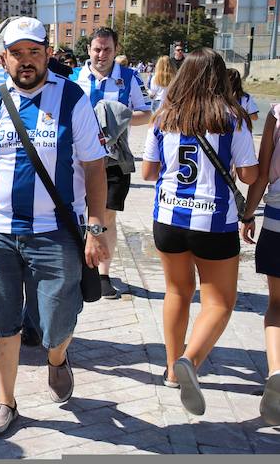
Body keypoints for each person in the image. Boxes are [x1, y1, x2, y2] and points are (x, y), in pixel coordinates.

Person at [0, 16, 110, 435]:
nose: (26, 61)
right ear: (3, 57)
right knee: (1, 318)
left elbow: (95, 166)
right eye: (17, 53)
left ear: (48, 52)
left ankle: (56, 357)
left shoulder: (72, 99)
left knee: (57, 319)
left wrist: (97, 225)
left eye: (34, 52)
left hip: (56, 231)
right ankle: (6, 400)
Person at [141, 47, 258, 417]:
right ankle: (191, 358)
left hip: (169, 219)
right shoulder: (232, 118)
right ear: (219, 76)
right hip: (214, 222)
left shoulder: (164, 116)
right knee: (220, 302)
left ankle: (172, 369)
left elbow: (147, 172)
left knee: (176, 291)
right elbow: (248, 175)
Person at [75, 27, 152, 299]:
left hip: (113, 160)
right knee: (76, 213)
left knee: (106, 217)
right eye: (97, 49)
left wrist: (120, 117)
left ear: (116, 50)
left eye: (107, 49)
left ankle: (102, 274)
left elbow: (147, 113)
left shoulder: (129, 78)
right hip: (77, 160)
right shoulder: (74, 77)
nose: (101, 54)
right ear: (88, 50)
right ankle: (77, 267)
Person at [241, 102, 280, 425]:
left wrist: (248, 213)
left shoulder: (278, 113)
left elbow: (264, 171)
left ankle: (277, 371)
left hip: (278, 221)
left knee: (277, 305)